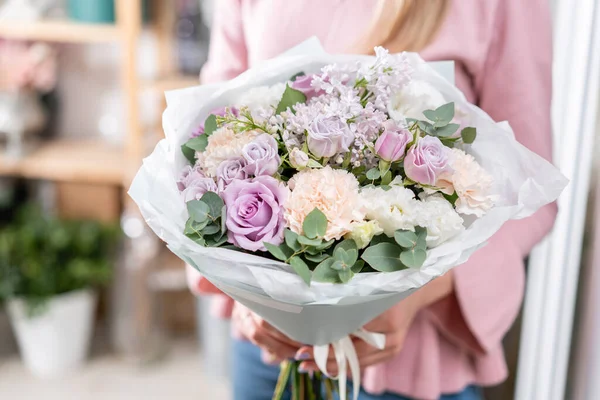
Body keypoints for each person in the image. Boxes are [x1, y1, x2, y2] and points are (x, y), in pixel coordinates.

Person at [187, 0, 557, 399]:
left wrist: (415, 293)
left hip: (409, 364)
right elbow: (208, 136)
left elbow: (531, 189)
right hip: (269, 354)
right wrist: (247, 295)